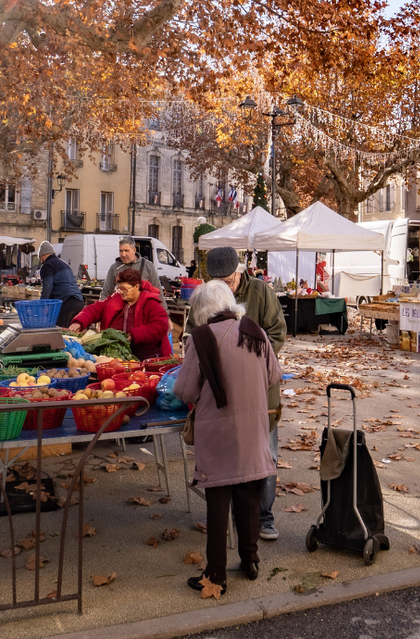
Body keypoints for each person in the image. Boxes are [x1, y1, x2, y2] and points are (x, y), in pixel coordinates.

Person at [173, 280, 280, 592]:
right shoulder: (255, 332)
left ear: (202, 311)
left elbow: (185, 391)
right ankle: (250, 559)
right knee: (249, 497)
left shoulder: (201, 338)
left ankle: (216, 574)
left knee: (218, 505)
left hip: (218, 434)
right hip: (253, 432)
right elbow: (274, 376)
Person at [205, 246, 287, 539]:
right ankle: (229, 517)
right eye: (217, 282)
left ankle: (263, 517)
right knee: (226, 452)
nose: (222, 288)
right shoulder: (207, 294)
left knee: (265, 452)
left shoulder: (261, 293)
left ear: (239, 272)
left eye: (227, 281)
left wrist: (250, 361)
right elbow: (195, 332)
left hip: (259, 388)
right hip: (221, 389)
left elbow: (277, 333)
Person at [68, 268, 172, 360]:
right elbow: (95, 309)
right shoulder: (115, 299)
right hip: (121, 356)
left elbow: (160, 326)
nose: (121, 292)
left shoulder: (151, 303)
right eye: (119, 288)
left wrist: (133, 335)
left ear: (136, 287)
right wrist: (79, 322)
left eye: (125, 289)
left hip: (147, 357)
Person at [35, 241, 84, 328]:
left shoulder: (47, 266)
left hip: (66, 303)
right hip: (78, 301)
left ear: (43, 255)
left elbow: (48, 286)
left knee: (61, 333)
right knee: (73, 333)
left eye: (40, 258)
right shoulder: (64, 264)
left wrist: (42, 304)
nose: (41, 260)